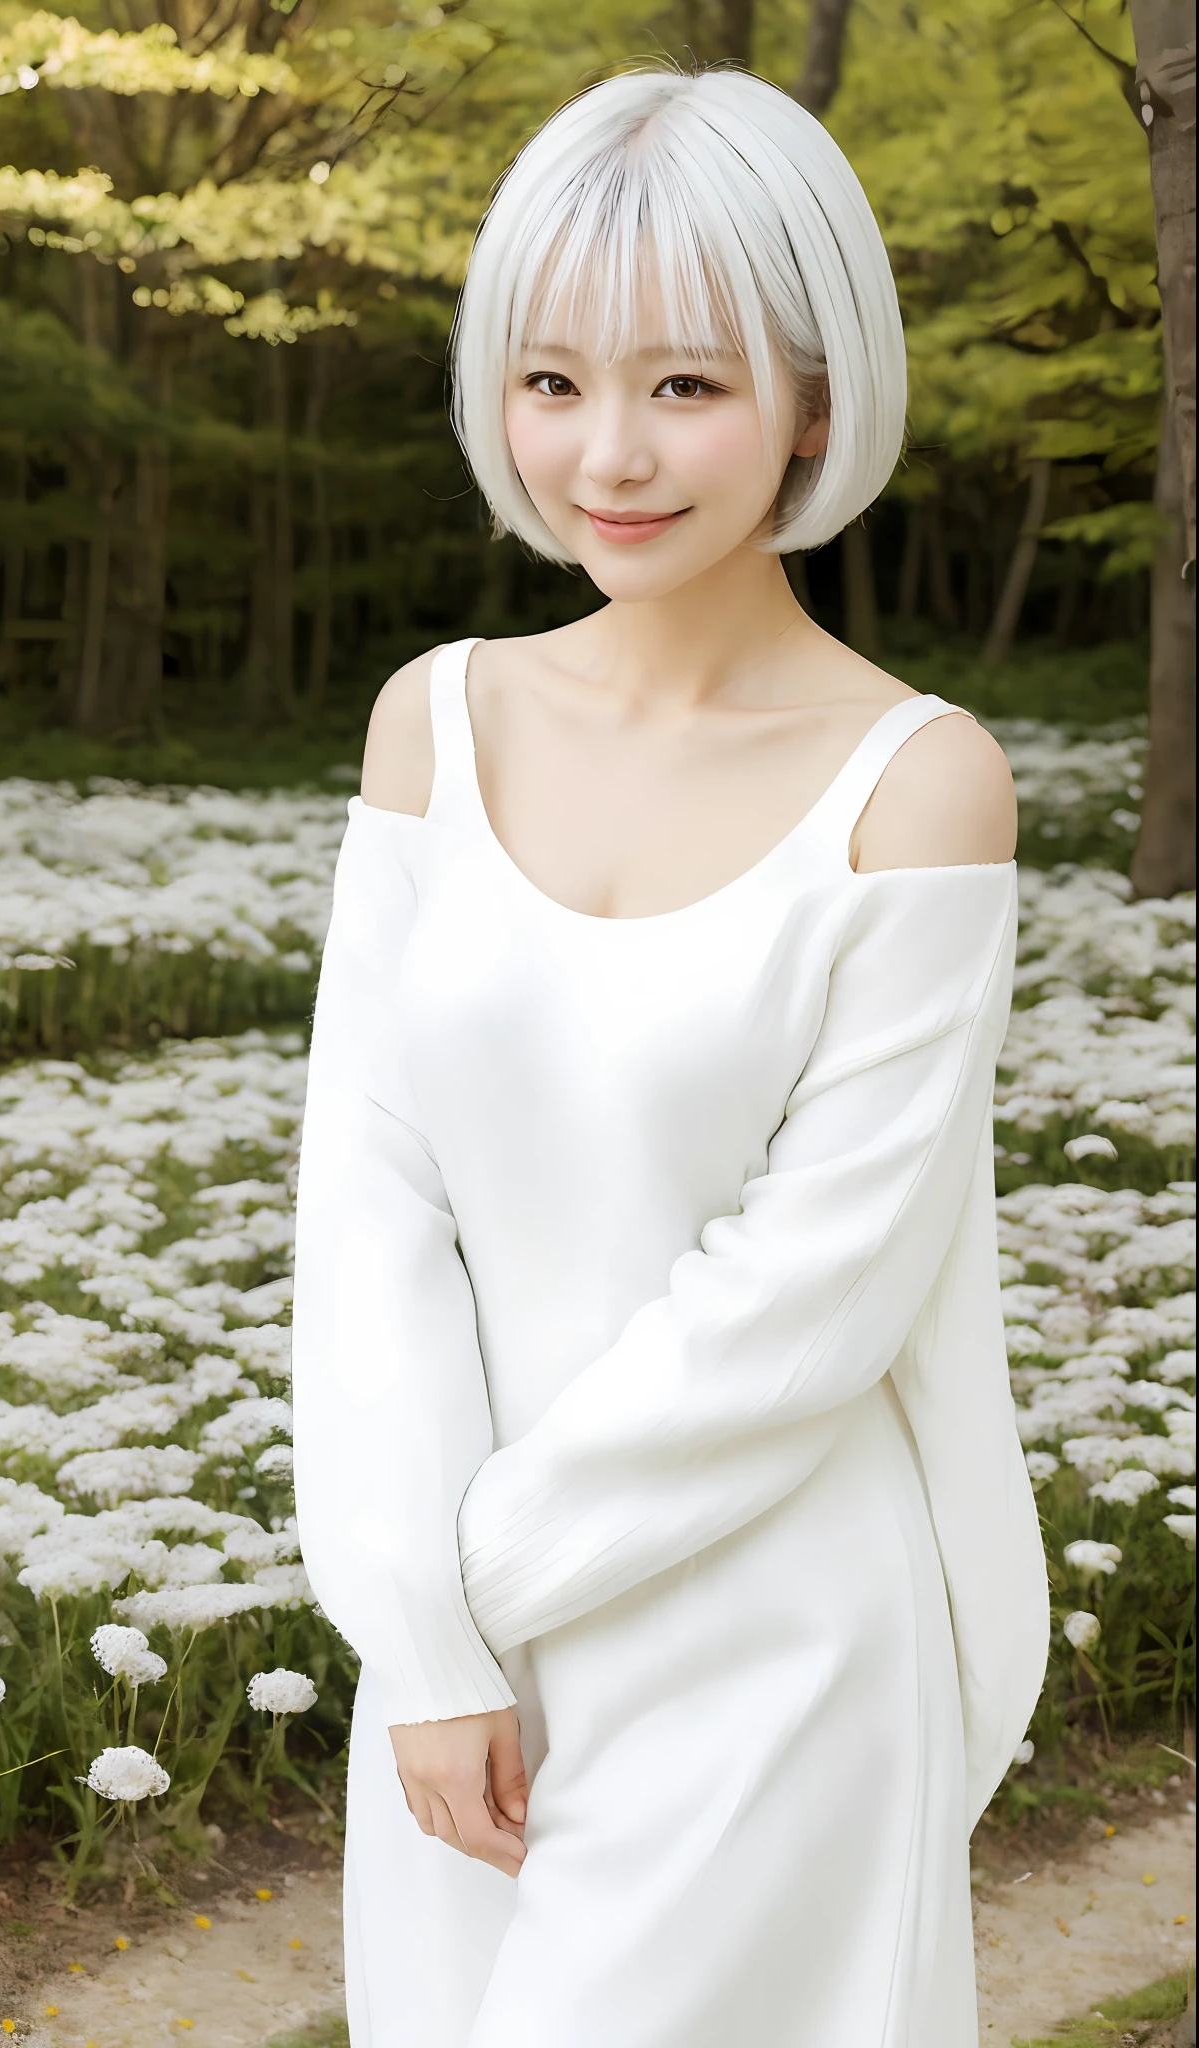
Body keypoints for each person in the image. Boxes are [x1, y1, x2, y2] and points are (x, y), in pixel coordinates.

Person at [290, 64, 1049, 2048]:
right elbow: (367, 1207)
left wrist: (482, 1586)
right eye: (550, 381)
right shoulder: (429, 725)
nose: (604, 452)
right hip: (458, 1663)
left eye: (685, 386)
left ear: (813, 396)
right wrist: (424, 1640)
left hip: (767, 1633)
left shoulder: (916, 781)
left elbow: (816, 1288)